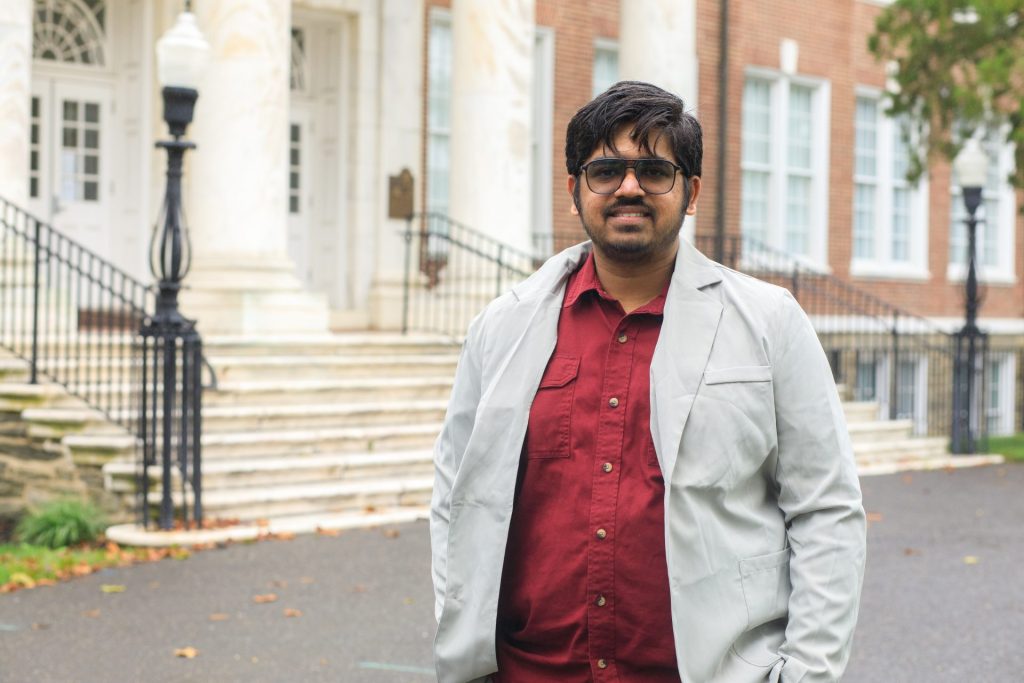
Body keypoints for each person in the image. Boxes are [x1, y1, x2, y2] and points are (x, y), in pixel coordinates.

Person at [430, 80, 866, 683]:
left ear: (690, 192)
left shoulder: (769, 322)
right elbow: (456, 498)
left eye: (655, 170)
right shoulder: (500, 328)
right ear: (573, 191)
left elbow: (826, 509)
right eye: (605, 169)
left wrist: (806, 672)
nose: (629, 187)